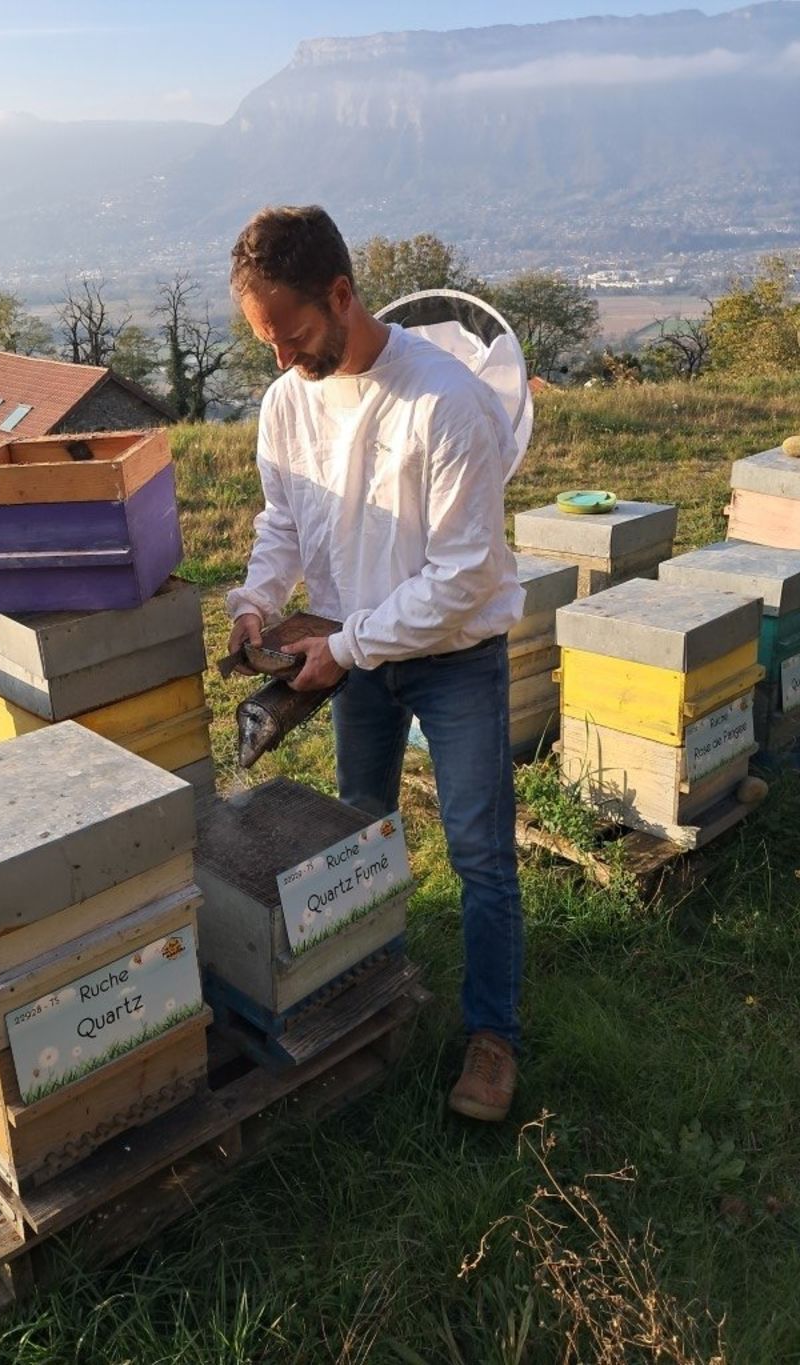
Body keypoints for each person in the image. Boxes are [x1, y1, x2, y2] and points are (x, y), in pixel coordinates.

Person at [225, 205, 525, 1122]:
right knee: (359, 830)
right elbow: (285, 519)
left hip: (453, 657)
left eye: (294, 334)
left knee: (480, 854)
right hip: (353, 650)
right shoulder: (287, 403)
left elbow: (464, 574)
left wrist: (342, 649)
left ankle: (492, 1035)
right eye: (265, 341)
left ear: (343, 294)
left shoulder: (444, 402)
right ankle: (361, 987)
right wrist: (255, 600)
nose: (282, 358)